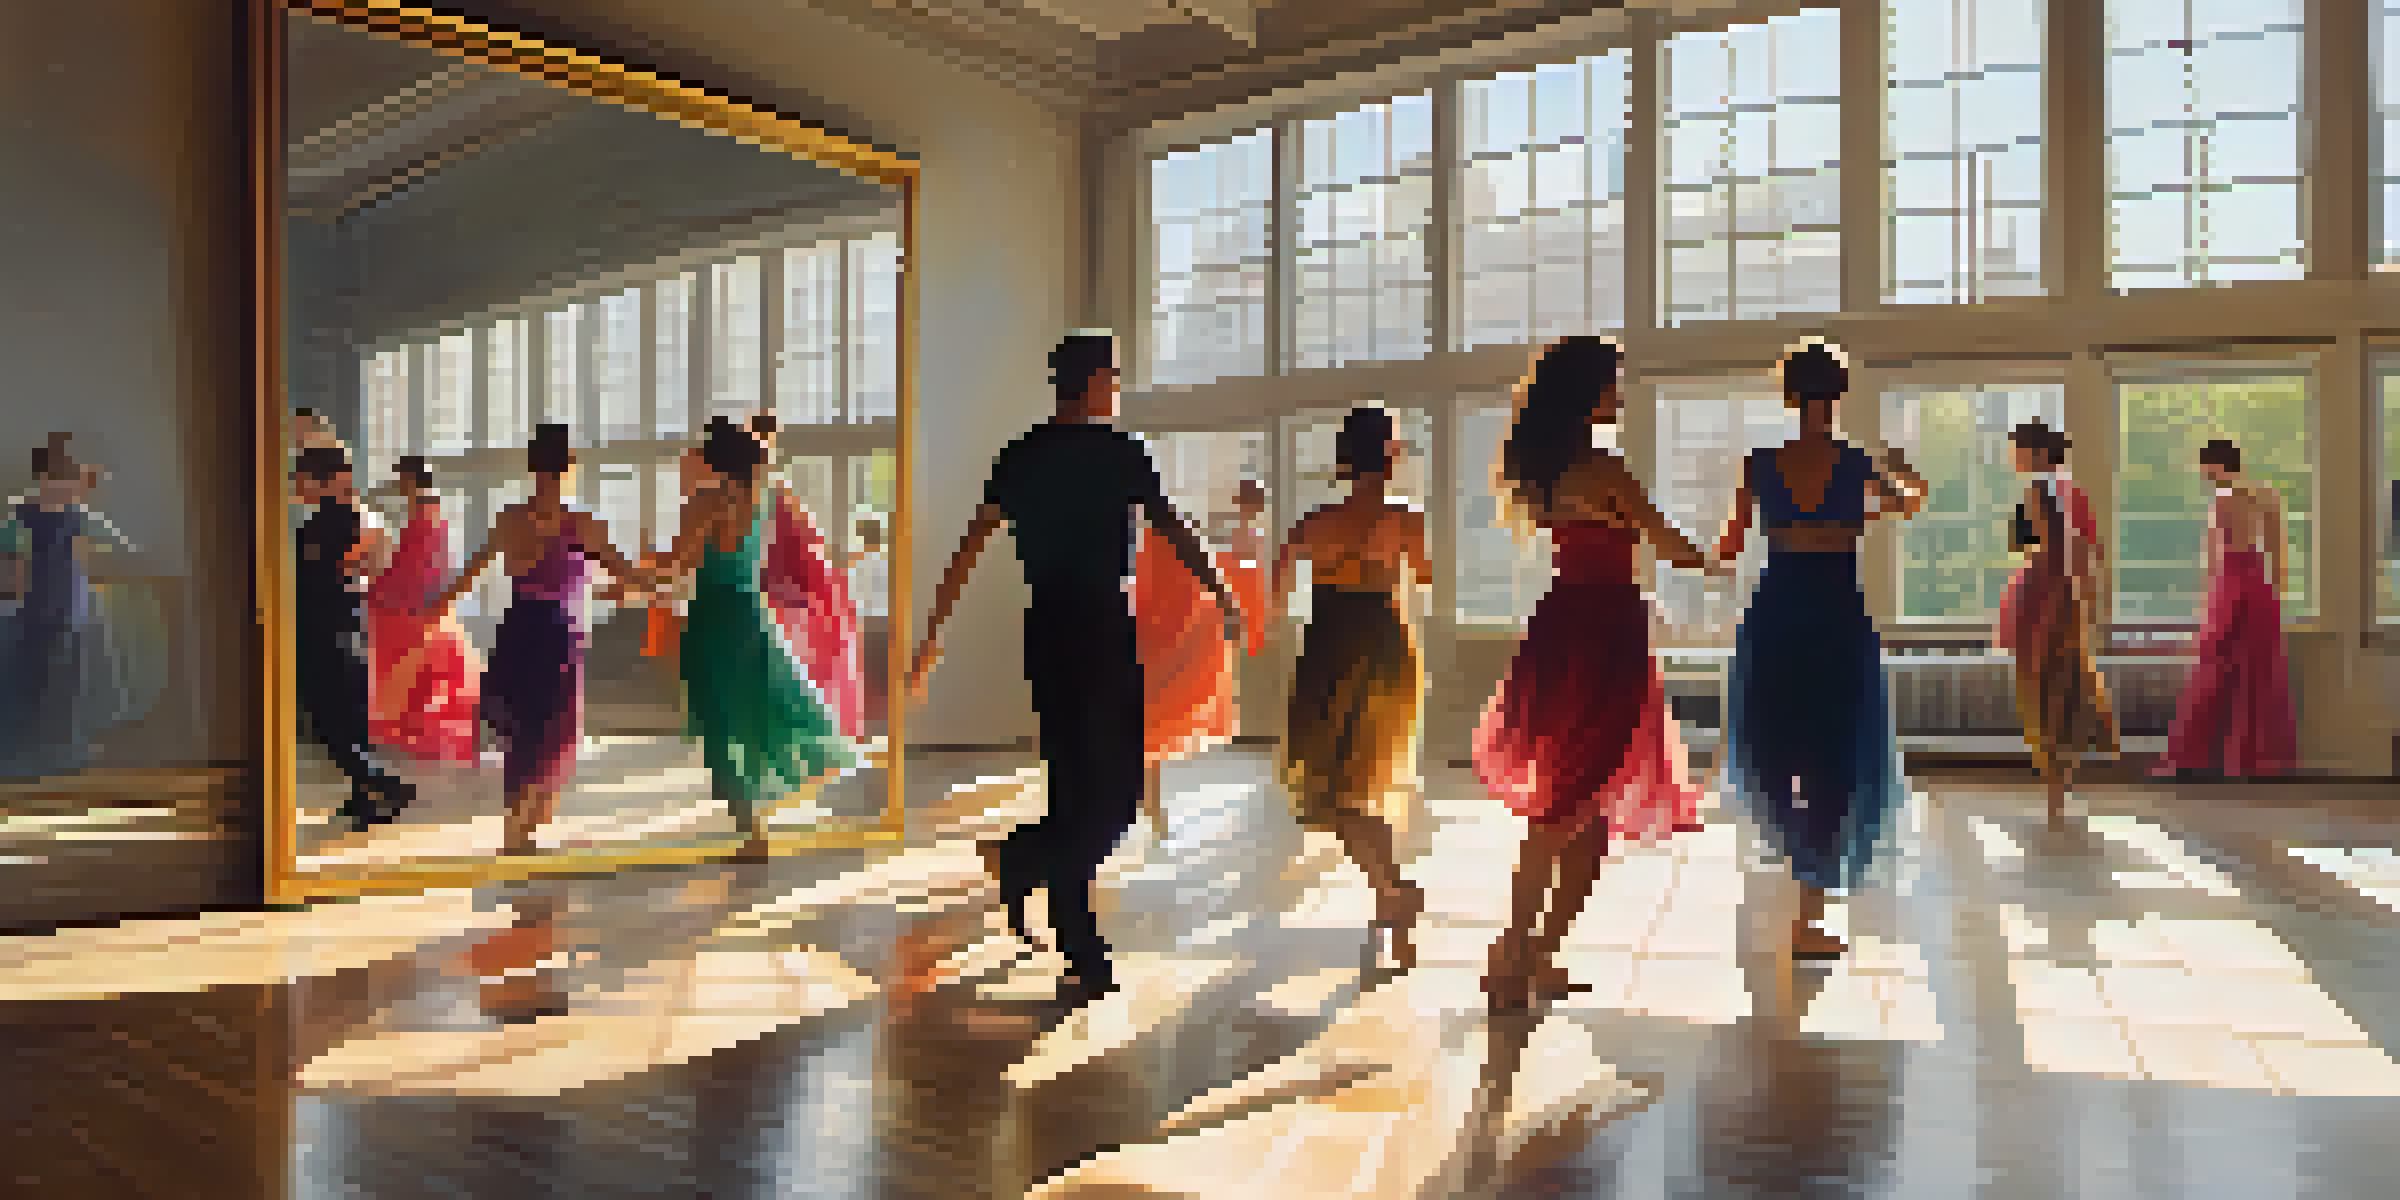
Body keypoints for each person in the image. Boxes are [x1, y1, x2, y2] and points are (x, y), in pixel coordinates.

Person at [908, 331, 1240, 1007]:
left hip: (1048, 629)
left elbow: (967, 548)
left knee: (1076, 784)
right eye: (1112, 376)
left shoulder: (1021, 456)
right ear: (1089, 382)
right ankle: (1069, 924)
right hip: (1097, 627)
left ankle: (1028, 866)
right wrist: (1223, 589)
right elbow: (1172, 526)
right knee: (1115, 796)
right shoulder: (1119, 451)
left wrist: (934, 634)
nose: (1116, 388)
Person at [1473, 338, 1721, 1010]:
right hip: (1602, 634)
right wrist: (1717, 558)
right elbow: (1665, 541)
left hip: (1564, 628)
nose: (1619, 393)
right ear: (1586, 393)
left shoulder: (1545, 471)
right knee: (1568, 808)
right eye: (1612, 382)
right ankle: (1511, 954)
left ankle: (1537, 956)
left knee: (1585, 813)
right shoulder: (1602, 468)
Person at [1713, 342, 1927, 960]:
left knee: (1776, 747)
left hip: (1778, 610)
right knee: (1836, 755)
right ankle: (1807, 911)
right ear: (1838, 395)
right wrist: (1904, 475)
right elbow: (1907, 504)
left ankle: (1795, 860)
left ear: (1789, 395)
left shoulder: (1758, 464)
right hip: (1836, 613)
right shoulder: (1857, 463)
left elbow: (1728, 550)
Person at [645, 416, 859, 859]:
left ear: (714, 464)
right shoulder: (764, 501)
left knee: (722, 725)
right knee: (771, 705)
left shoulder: (704, 503)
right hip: (752, 614)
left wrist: (627, 579)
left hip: (715, 618)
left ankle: (751, 833)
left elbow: (676, 569)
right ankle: (758, 824)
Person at [1271, 406, 1430, 971]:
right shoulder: (1408, 520)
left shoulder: (1312, 524)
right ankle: (1393, 895)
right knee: (1365, 784)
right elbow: (1431, 576)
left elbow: (1276, 595)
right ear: (1389, 457)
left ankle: (1393, 892)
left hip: (1329, 647)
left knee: (1334, 791)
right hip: (1385, 645)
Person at [436, 424, 641, 856]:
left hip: (518, 628)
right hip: (558, 635)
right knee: (552, 731)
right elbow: (630, 579)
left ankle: (519, 829)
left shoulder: (510, 519)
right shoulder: (583, 524)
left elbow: (468, 575)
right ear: (568, 468)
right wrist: (634, 587)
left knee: (524, 732)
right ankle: (524, 828)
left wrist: (436, 608)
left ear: (531, 466)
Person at [0, 435, 149, 778]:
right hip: (34, 612)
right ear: (44, 480)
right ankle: (35, 750)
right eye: (59, 480)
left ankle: (64, 748)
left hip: (70, 612)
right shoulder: (22, 516)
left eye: (70, 481)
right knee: (34, 680)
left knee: (68, 683)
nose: (65, 488)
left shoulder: (76, 516)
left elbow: (123, 545)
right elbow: (10, 563)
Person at [1994, 421, 2117, 831]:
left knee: (2043, 694)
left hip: (2043, 594)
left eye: (2018, 451)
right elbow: (2087, 550)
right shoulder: (2071, 490)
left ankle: (2053, 799)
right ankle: (2056, 795)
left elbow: (2047, 547)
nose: (2014, 459)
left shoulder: (2038, 491)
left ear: (2036, 452)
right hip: (2066, 596)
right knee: (2064, 691)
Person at [2154, 438, 2299, 778]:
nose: (2203, 475)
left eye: (2205, 468)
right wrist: (2275, 595)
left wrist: (2208, 600)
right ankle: (2253, 758)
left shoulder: (2223, 498)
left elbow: (2215, 558)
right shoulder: (2267, 494)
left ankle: (2199, 758)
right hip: (2260, 587)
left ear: (2216, 465)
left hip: (2230, 584)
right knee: (2259, 675)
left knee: (2214, 669)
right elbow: (2279, 554)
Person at [290, 444, 415, 830]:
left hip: (328, 628)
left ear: (321, 481)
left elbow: (325, 577)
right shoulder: (339, 520)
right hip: (346, 624)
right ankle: (364, 794)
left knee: (329, 720)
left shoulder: (332, 522)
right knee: (349, 718)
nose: (295, 484)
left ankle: (385, 785)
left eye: (301, 477)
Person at [1131, 475, 1244, 842]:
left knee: (1142, 729)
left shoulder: (1146, 546)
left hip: (1144, 641)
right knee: (1144, 730)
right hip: (1150, 642)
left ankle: (1148, 803)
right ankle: (1148, 804)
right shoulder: (1164, 545)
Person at [750, 413, 866, 741]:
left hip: (787, 588)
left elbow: (796, 540)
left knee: (788, 666)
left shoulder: (772, 489)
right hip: (784, 586)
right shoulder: (772, 489)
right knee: (787, 665)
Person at [365, 457, 483, 765]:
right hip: (420, 603)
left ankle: (410, 738)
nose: (398, 486)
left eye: (401, 480)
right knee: (423, 674)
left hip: (412, 608)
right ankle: (412, 737)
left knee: (411, 672)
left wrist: (378, 590)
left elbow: (416, 565)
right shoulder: (431, 512)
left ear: (409, 479)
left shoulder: (425, 513)